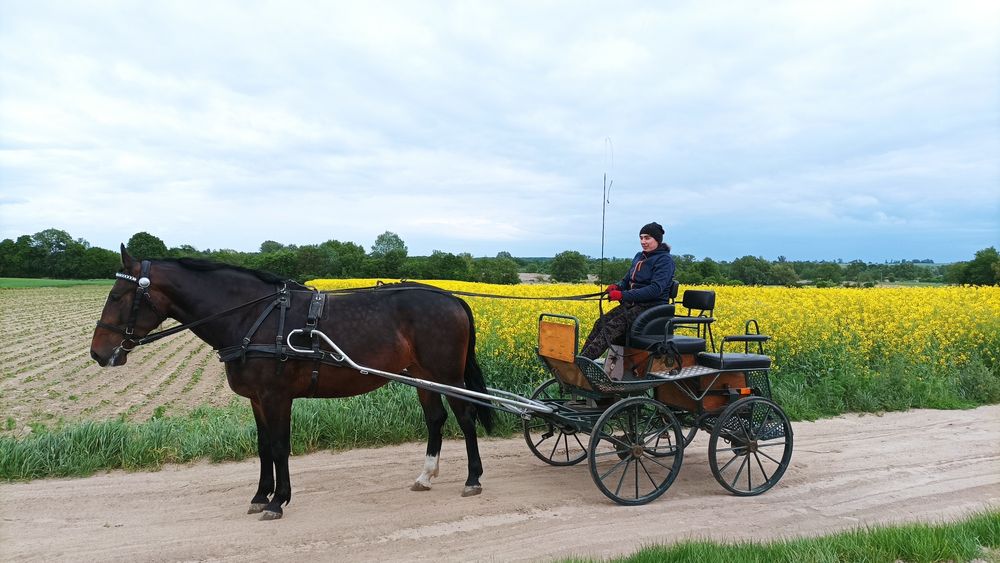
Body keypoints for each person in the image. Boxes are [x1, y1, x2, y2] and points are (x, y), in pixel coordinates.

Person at [580, 222, 675, 360]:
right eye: (641, 237)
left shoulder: (665, 260)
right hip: (633, 305)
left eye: (647, 238)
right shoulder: (639, 256)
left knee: (610, 328)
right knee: (600, 323)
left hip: (653, 308)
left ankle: (584, 363)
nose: (643, 241)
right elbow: (626, 280)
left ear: (657, 240)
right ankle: (581, 359)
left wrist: (623, 295)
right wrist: (617, 287)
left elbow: (655, 290)